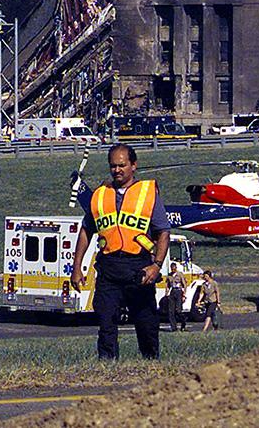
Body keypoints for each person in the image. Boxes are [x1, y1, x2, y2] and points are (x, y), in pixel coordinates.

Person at [71, 143, 171, 360]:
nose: (117, 170)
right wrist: (76, 268)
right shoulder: (99, 195)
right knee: (106, 321)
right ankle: (107, 364)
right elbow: (86, 231)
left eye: (122, 165)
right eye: (113, 166)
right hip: (109, 267)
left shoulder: (147, 194)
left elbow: (163, 232)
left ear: (133, 165)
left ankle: (151, 361)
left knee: (146, 322)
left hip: (139, 266)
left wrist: (157, 265)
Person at [166, 261, 187, 332]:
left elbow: (184, 284)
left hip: (179, 291)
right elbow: (168, 285)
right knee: (171, 311)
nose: (173, 270)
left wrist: (184, 294)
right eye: (172, 269)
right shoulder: (169, 275)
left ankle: (183, 322)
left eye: (174, 269)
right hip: (172, 292)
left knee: (178, 310)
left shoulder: (179, 274)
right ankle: (173, 327)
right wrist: (167, 293)